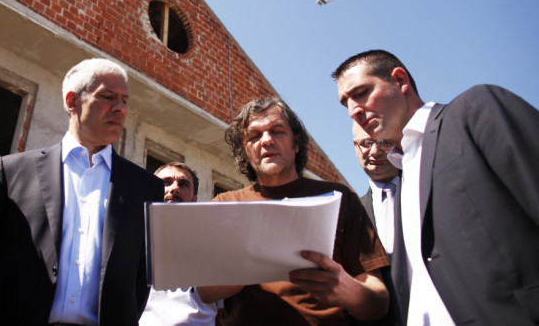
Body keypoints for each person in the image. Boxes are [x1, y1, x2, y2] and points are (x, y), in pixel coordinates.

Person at [0, 58, 165, 325]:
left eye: (125, 100)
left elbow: (139, 281)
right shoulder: (14, 171)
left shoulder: (145, 187)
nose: (120, 108)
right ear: (72, 101)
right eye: (108, 96)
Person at [333, 49, 539, 325]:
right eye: (345, 102)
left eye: (360, 92)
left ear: (400, 81)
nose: (353, 111)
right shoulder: (401, 185)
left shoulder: (474, 110)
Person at [196, 97, 389, 325]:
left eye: (277, 131)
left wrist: (348, 290)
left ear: (296, 143)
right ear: (245, 151)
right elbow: (205, 291)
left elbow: (379, 301)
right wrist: (248, 265)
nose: (266, 140)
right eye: (254, 136)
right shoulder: (225, 204)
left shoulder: (340, 198)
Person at [140, 162, 218, 326]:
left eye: (183, 184)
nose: (174, 188)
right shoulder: (131, 243)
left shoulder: (213, 246)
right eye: (165, 183)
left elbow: (224, 310)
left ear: (194, 200)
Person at [352, 122, 400, 256]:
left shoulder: (429, 194)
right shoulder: (351, 213)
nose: (375, 151)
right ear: (355, 146)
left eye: (385, 142)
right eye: (366, 143)